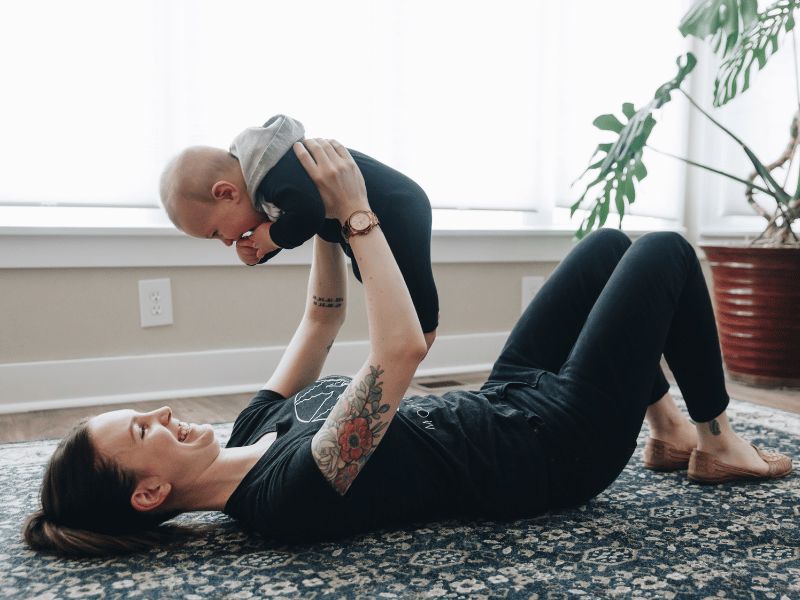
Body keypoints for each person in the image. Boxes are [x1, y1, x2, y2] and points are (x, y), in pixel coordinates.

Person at [23, 140, 792, 557]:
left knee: (606, 246)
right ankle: (717, 440)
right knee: (663, 251)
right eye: (143, 430)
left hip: (503, 401)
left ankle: (664, 427)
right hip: (555, 449)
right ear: (149, 494)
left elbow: (320, 322)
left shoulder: (253, 430)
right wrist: (359, 215)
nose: (162, 412)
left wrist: (321, 215)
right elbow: (398, 350)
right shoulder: (283, 499)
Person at [159, 115, 438, 350]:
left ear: (226, 193)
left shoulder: (275, 173)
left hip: (399, 209)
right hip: (363, 219)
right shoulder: (260, 187)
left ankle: (424, 333)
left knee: (412, 288)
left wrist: (271, 238)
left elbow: (307, 215)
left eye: (216, 232)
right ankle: (406, 338)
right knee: (374, 278)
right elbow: (285, 221)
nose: (227, 241)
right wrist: (259, 250)